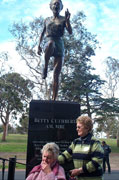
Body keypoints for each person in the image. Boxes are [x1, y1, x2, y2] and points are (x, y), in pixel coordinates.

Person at [37, 0, 72, 100]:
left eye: (58, 4)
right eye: (54, 3)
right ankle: (46, 66)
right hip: (49, 42)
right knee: (50, 44)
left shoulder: (63, 19)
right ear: (50, 6)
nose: (56, 5)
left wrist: (68, 20)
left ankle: (54, 98)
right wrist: (39, 45)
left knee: (56, 75)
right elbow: (42, 33)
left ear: (61, 7)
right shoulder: (47, 20)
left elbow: (70, 32)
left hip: (59, 44)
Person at [58, 116, 104, 180]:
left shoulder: (95, 142)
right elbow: (65, 156)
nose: (77, 129)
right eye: (77, 127)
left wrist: (79, 171)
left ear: (87, 128)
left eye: (79, 127)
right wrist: (52, 160)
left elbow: (96, 162)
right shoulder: (75, 142)